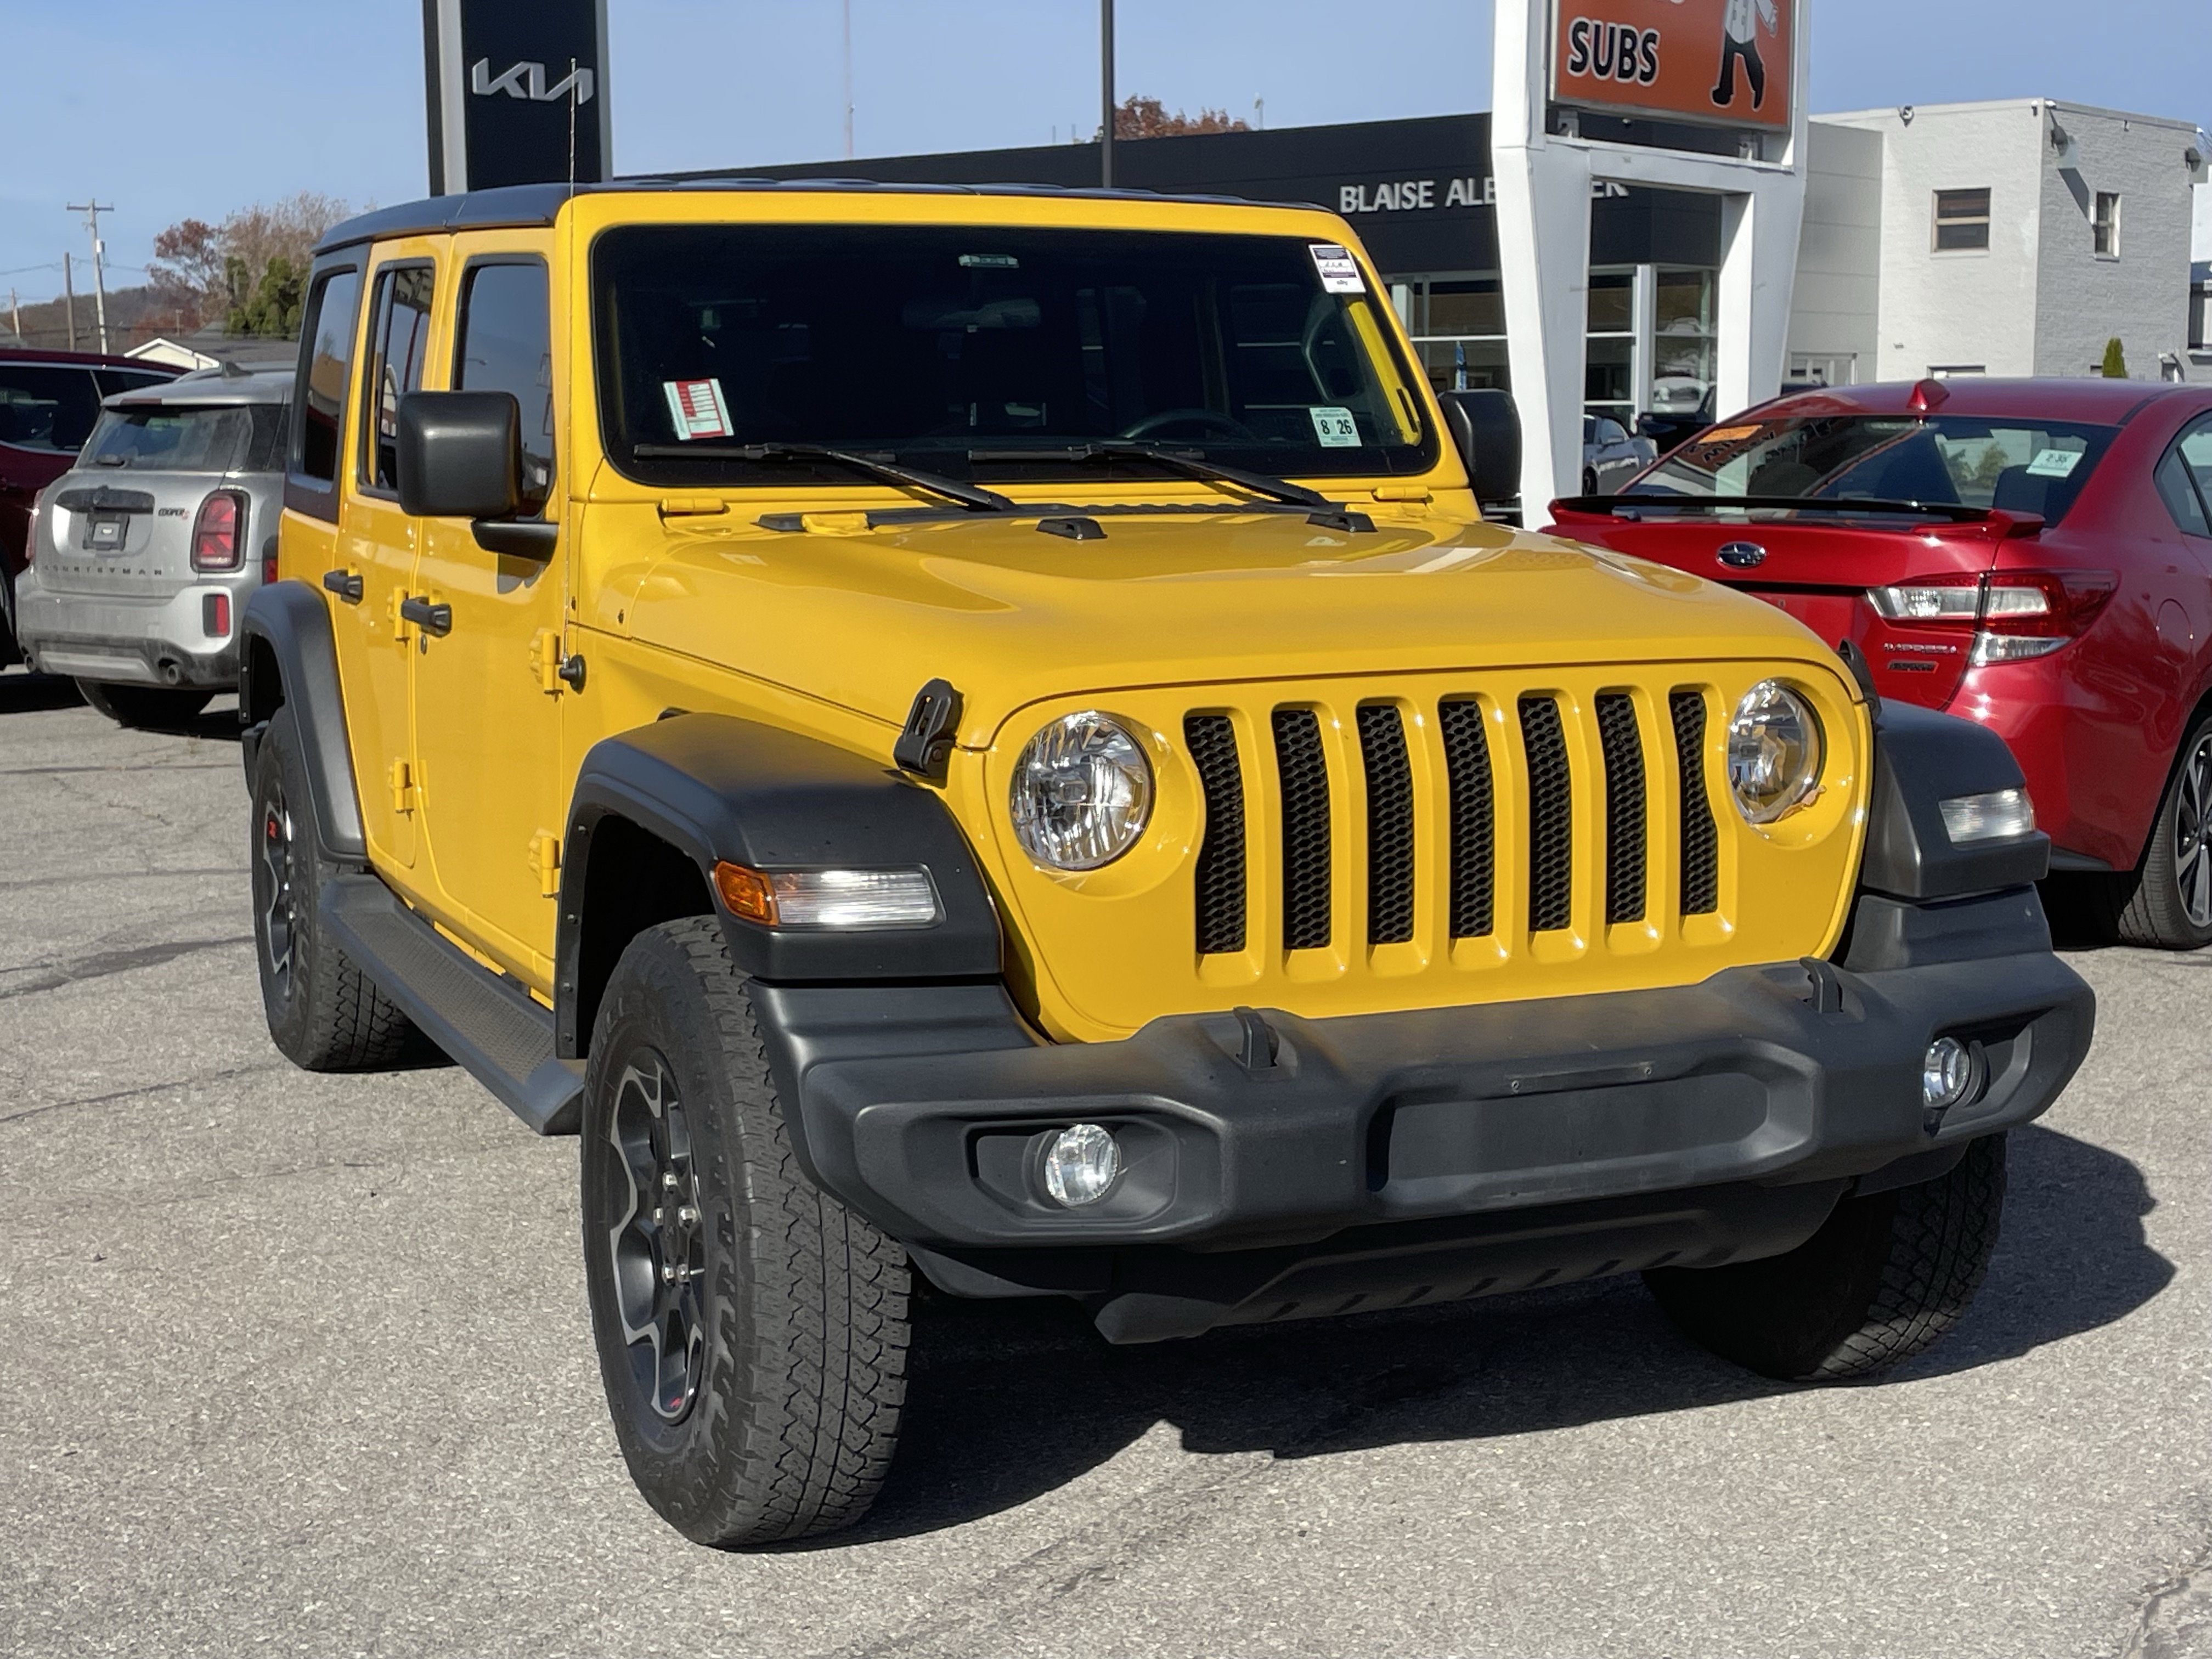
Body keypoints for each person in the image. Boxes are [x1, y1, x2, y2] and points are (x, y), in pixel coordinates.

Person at [1712, 0, 1779, 112]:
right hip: (1731, 22)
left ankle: (1758, 83)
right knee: (1728, 59)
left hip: (1745, 26)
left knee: (1750, 58)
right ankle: (1725, 91)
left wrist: (1771, 20)